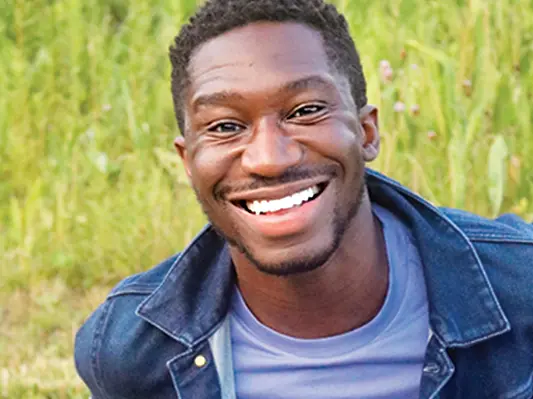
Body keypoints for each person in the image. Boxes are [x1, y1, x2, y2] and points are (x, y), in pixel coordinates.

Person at [74, 0, 533, 398]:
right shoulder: (131, 350)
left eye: (306, 111)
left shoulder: (520, 292)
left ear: (367, 131)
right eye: (225, 126)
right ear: (188, 160)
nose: (270, 159)